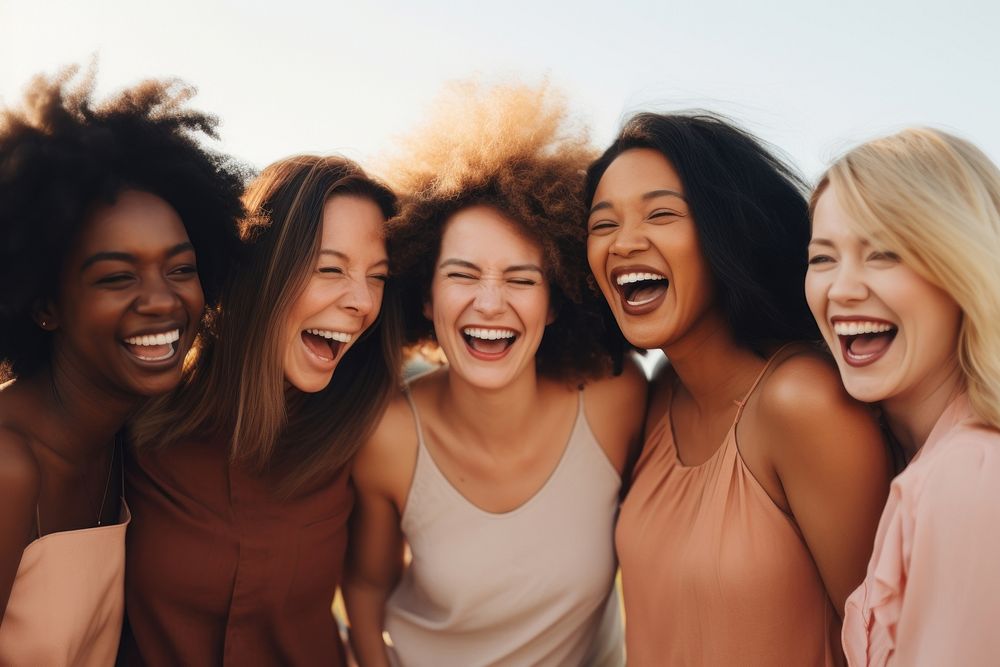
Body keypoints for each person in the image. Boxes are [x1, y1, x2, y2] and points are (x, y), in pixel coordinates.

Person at [343, 82, 646, 667]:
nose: (488, 303)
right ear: (425, 298)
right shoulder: (390, 435)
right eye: (461, 275)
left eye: (520, 279)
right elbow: (364, 588)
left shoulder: (616, 401)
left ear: (554, 303)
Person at [586, 112, 891, 666]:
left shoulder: (802, 402)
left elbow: (884, 642)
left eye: (662, 213)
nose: (625, 242)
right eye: (602, 225)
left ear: (726, 231)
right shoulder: (656, 396)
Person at [0, 67, 244, 665]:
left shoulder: (124, 441)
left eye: (181, 269)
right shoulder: (7, 465)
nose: (162, 300)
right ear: (44, 305)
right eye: (117, 277)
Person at [119, 155, 403, 666]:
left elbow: (372, 594)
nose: (362, 301)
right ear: (261, 269)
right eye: (330, 268)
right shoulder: (134, 425)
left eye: (377, 277)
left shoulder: (364, 433)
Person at [806, 128, 1000, 666]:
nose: (841, 289)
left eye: (884, 254)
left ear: (962, 266)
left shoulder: (970, 476)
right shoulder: (919, 462)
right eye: (822, 258)